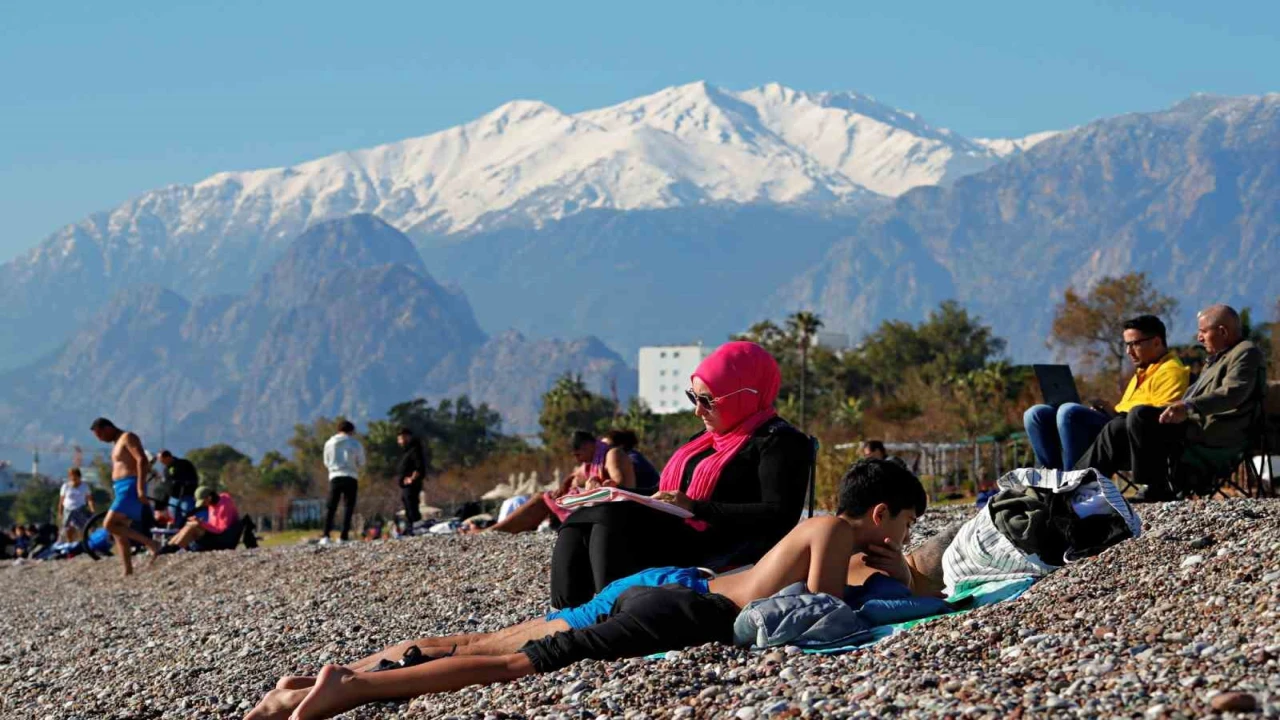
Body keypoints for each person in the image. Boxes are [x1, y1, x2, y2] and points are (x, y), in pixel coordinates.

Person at [244, 459, 925, 720]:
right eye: (905, 525)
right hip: (688, 608)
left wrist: (889, 569)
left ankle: (304, 687)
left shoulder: (825, 531)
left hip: (661, 584)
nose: (902, 537)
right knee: (515, 665)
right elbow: (816, 615)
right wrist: (896, 575)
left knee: (486, 640)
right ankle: (352, 689)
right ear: (882, 514)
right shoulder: (832, 530)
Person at [550, 341, 812, 608]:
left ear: (745, 395)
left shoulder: (779, 442)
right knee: (586, 515)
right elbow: (665, 493)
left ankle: (609, 610)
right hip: (683, 532)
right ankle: (564, 613)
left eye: (707, 401)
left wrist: (696, 508)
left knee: (609, 518)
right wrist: (616, 492)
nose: (698, 410)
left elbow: (779, 514)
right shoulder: (705, 439)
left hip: (723, 545)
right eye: (694, 398)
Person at [1077, 305, 1265, 500]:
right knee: (1116, 427)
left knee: (1139, 414)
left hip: (1212, 430)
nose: (1199, 338)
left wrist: (1188, 407)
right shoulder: (1217, 358)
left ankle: (1154, 487)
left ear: (1223, 332)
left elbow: (1233, 392)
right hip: (1191, 425)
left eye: (1203, 332)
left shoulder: (1246, 352)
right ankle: (1077, 488)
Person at [1025, 315, 1189, 470]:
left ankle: (1074, 480)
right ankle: (1050, 479)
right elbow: (1128, 410)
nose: (1128, 351)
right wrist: (1110, 410)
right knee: (1036, 414)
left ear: (1157, 342)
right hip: (1115, 427)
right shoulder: (1143, 372)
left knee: (1069, 412)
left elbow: (1159, 419)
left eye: (1134, 344)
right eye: (1127, 345)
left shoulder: (1171, 372)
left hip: (1131, 440)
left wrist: (1115, 417)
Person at [90, 417, 161, 575]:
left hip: (130, 486)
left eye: (100, 435)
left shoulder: (128, 437)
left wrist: (140, 488)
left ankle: (152, 544)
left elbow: (141, 460)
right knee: (119, 531)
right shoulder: (116, 442)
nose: (100, 439)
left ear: (108, 428)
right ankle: (128, 570)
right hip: (120, 487)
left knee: (109, 524)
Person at [160, 486, 241, 552]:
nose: (203, 505)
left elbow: (221, 530)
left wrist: (201, 523)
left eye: (203, 502)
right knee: (190, 524)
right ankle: (169, 546)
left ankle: (173, 548)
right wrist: (199, 522)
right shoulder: (219, 499)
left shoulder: (224, 507)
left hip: (224, 539)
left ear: (209, 498)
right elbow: (214, 525)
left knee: (194, 525)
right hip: (217, 535)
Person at [322, 421, 365, 544]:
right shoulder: (355, 443)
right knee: (348, 506)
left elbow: (326, 461)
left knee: (331, 507)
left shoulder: (329, 443)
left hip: (334, 476)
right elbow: (361, 461)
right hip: (351, 476)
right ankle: (343, 536)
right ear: (351, 431)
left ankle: (326, 535)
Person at [395, 428, 429, 535]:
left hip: (412, 484)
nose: (400, 442)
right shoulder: (407, 451)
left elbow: (419, 467)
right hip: (405, 485)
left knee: (412, 505)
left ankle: (417, 526)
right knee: (407, 504)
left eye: (401, 438)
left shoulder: (415, 450)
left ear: (407, 437)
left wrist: (412, 479)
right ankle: (411, 527)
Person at [158, 450, 200, 527]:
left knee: (187, 515)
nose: (162, 463)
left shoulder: (183, 464)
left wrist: (185, 486)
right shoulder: (166, 469)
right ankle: (177, 530)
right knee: (174, 517)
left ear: (168, 457)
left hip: (186, 496)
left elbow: (193, 479)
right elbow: (166, 485)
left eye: (162, 460)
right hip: (173, 497)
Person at [57, 467, 96, 543]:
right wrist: (60, 512)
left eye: (75, 476)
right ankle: (70, 543)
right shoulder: (65, 486)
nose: (73, 478)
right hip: (68, 510)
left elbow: (89, 499)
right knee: (68, 529)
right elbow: (61, 501)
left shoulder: (84, 486)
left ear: (79, 476)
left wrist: (92, 510)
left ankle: (84, 543)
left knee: (83, 528)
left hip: (80, 509)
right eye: (71, 476)